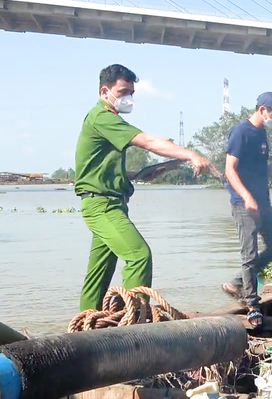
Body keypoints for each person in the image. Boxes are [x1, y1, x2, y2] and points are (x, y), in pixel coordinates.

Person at [74, 64, 212, 311]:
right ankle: (135, 323)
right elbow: (147, 141)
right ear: (105, 92)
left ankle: (85, 326)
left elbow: (99, 170)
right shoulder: (102, 117)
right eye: (123, 91)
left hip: (108, 201)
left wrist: (140, 174)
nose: (128, 98)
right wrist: (191, 154)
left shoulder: (105, 121)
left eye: (131, 93)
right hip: (102, 205)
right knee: (139, 256)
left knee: (99, 273)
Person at [221, 91, 272, 328]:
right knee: (249, 255)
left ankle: (237, 282)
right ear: (262, 109)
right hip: (245, 204)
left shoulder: (261, 133)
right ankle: (253, 304)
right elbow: (229, 169)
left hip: (263, 201)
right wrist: (246, 196)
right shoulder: (241, 132)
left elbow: (261, 166)